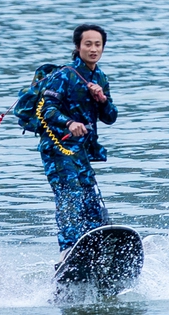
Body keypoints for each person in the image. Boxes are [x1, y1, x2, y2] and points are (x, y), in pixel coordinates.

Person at [37, 24, 118, 258]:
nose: (93, 49)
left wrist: (102, 99)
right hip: (57, 146)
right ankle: (68, 250)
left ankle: (97, 245)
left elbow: (110, 117)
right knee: (69, 194)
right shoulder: (64, 75)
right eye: (88, 44)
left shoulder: (100, 77)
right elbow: (46, 110)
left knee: (91, 196)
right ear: (78, 46)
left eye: (98, 44)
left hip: (81, 150)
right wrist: (69, 123)